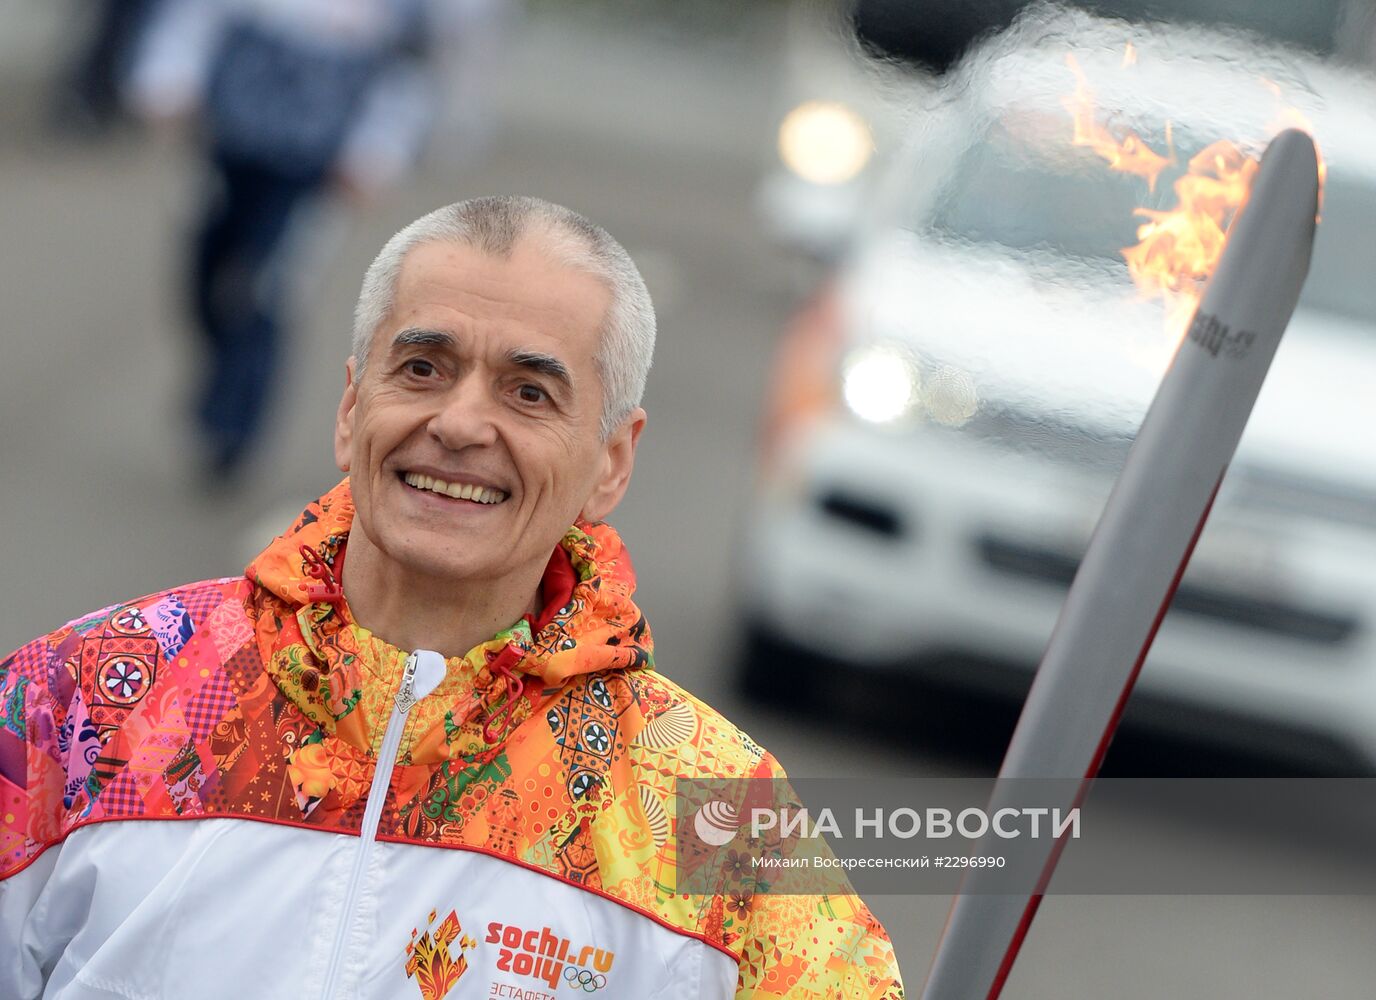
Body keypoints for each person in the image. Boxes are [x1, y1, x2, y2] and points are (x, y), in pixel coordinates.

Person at [0, 197, 904, 999]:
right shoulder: (88, 699)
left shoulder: (720, 818)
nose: (462, 425)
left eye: (530, 391)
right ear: (353, 405)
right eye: (423, 369)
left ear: (612, 461)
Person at [127, 0, 507, 478]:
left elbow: (409, 77)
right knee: (207, 273)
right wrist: (168, 77)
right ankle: (219, 366)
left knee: (268, 288)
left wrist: (376, 153)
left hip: (311, 171)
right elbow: (194, 17)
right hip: (230, 145)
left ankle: (234, 420)